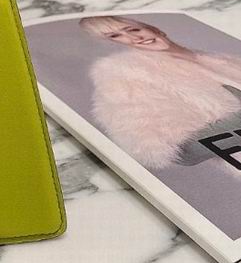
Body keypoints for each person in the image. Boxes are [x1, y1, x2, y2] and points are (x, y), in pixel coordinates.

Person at [79, 15, 241, 170]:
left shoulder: (225, 60)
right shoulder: (125, 74)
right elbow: (182, 153)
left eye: (134, 29)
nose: (135, 38)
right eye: (115, 36)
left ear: (153, 28)